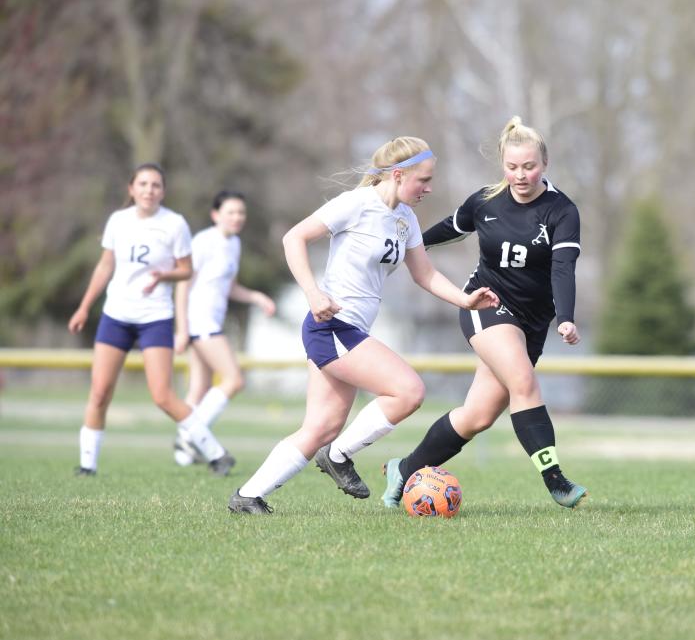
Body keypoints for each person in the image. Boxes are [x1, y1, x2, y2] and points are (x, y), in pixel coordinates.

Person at [228, 137, 499, 514]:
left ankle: (247, 497)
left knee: (320, 427)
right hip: (333, 326)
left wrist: (465, 299)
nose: (429, 187)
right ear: (399, 174)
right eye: (423, 179)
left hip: (351, 331)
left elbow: (425, 274)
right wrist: (313, 293)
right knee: (408, 391)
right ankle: (337, 456)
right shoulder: (357, 204)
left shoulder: (405, 218)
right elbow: (294, 238)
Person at [380, 116, 588, 509]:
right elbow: (450, 228)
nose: (520, 175)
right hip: (485, 304)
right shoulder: (485, 201)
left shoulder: (561, 211)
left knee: (476, 417)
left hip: (532, 322)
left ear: (544, 163)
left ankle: (403, 469)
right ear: (502, 165)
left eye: (529, 166)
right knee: (523, 383)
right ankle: (555, 479)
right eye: (512, 167)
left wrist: (565, 315)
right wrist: (409, 243)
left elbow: (563, 268)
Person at [68, 163, 236, 476]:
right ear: (131, 189)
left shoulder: (174, 224)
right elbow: (105, 266)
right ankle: (87, 466)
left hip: (155, 317)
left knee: (162, 395)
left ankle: (216, 454)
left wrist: (165, 275)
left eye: (155, 185)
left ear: (163, 191)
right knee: (100, 391)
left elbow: (187, 270)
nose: (149, 190)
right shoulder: (118, 221)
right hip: (116, 316)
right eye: (143, 184)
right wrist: (84, 307)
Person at [172, 190, 276, 466]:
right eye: (231, 212)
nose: (237, 217)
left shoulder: (234, 244)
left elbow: (228, 287)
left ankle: (183, 456)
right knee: (234, 380)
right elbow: (182, 285)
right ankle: (193, 436)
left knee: (199, 389)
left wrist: (256, 297)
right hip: (200, 323)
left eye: (241, 212)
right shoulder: (203, 242)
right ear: (216, 215)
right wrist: (181, 329)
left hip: (210, 323)